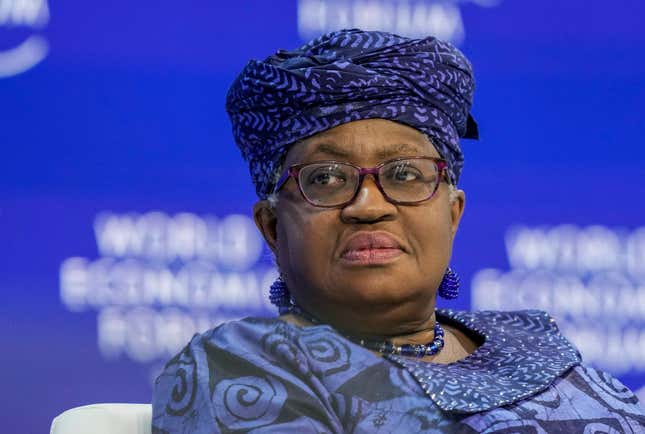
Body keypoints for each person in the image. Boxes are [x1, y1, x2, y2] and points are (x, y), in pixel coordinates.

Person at [151, 29, 645, 433]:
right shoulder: (243, 368)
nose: (368, 207)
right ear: (273, 227)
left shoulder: (534, 344)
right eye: (326, 179)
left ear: (453, 214)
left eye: (405, 175)